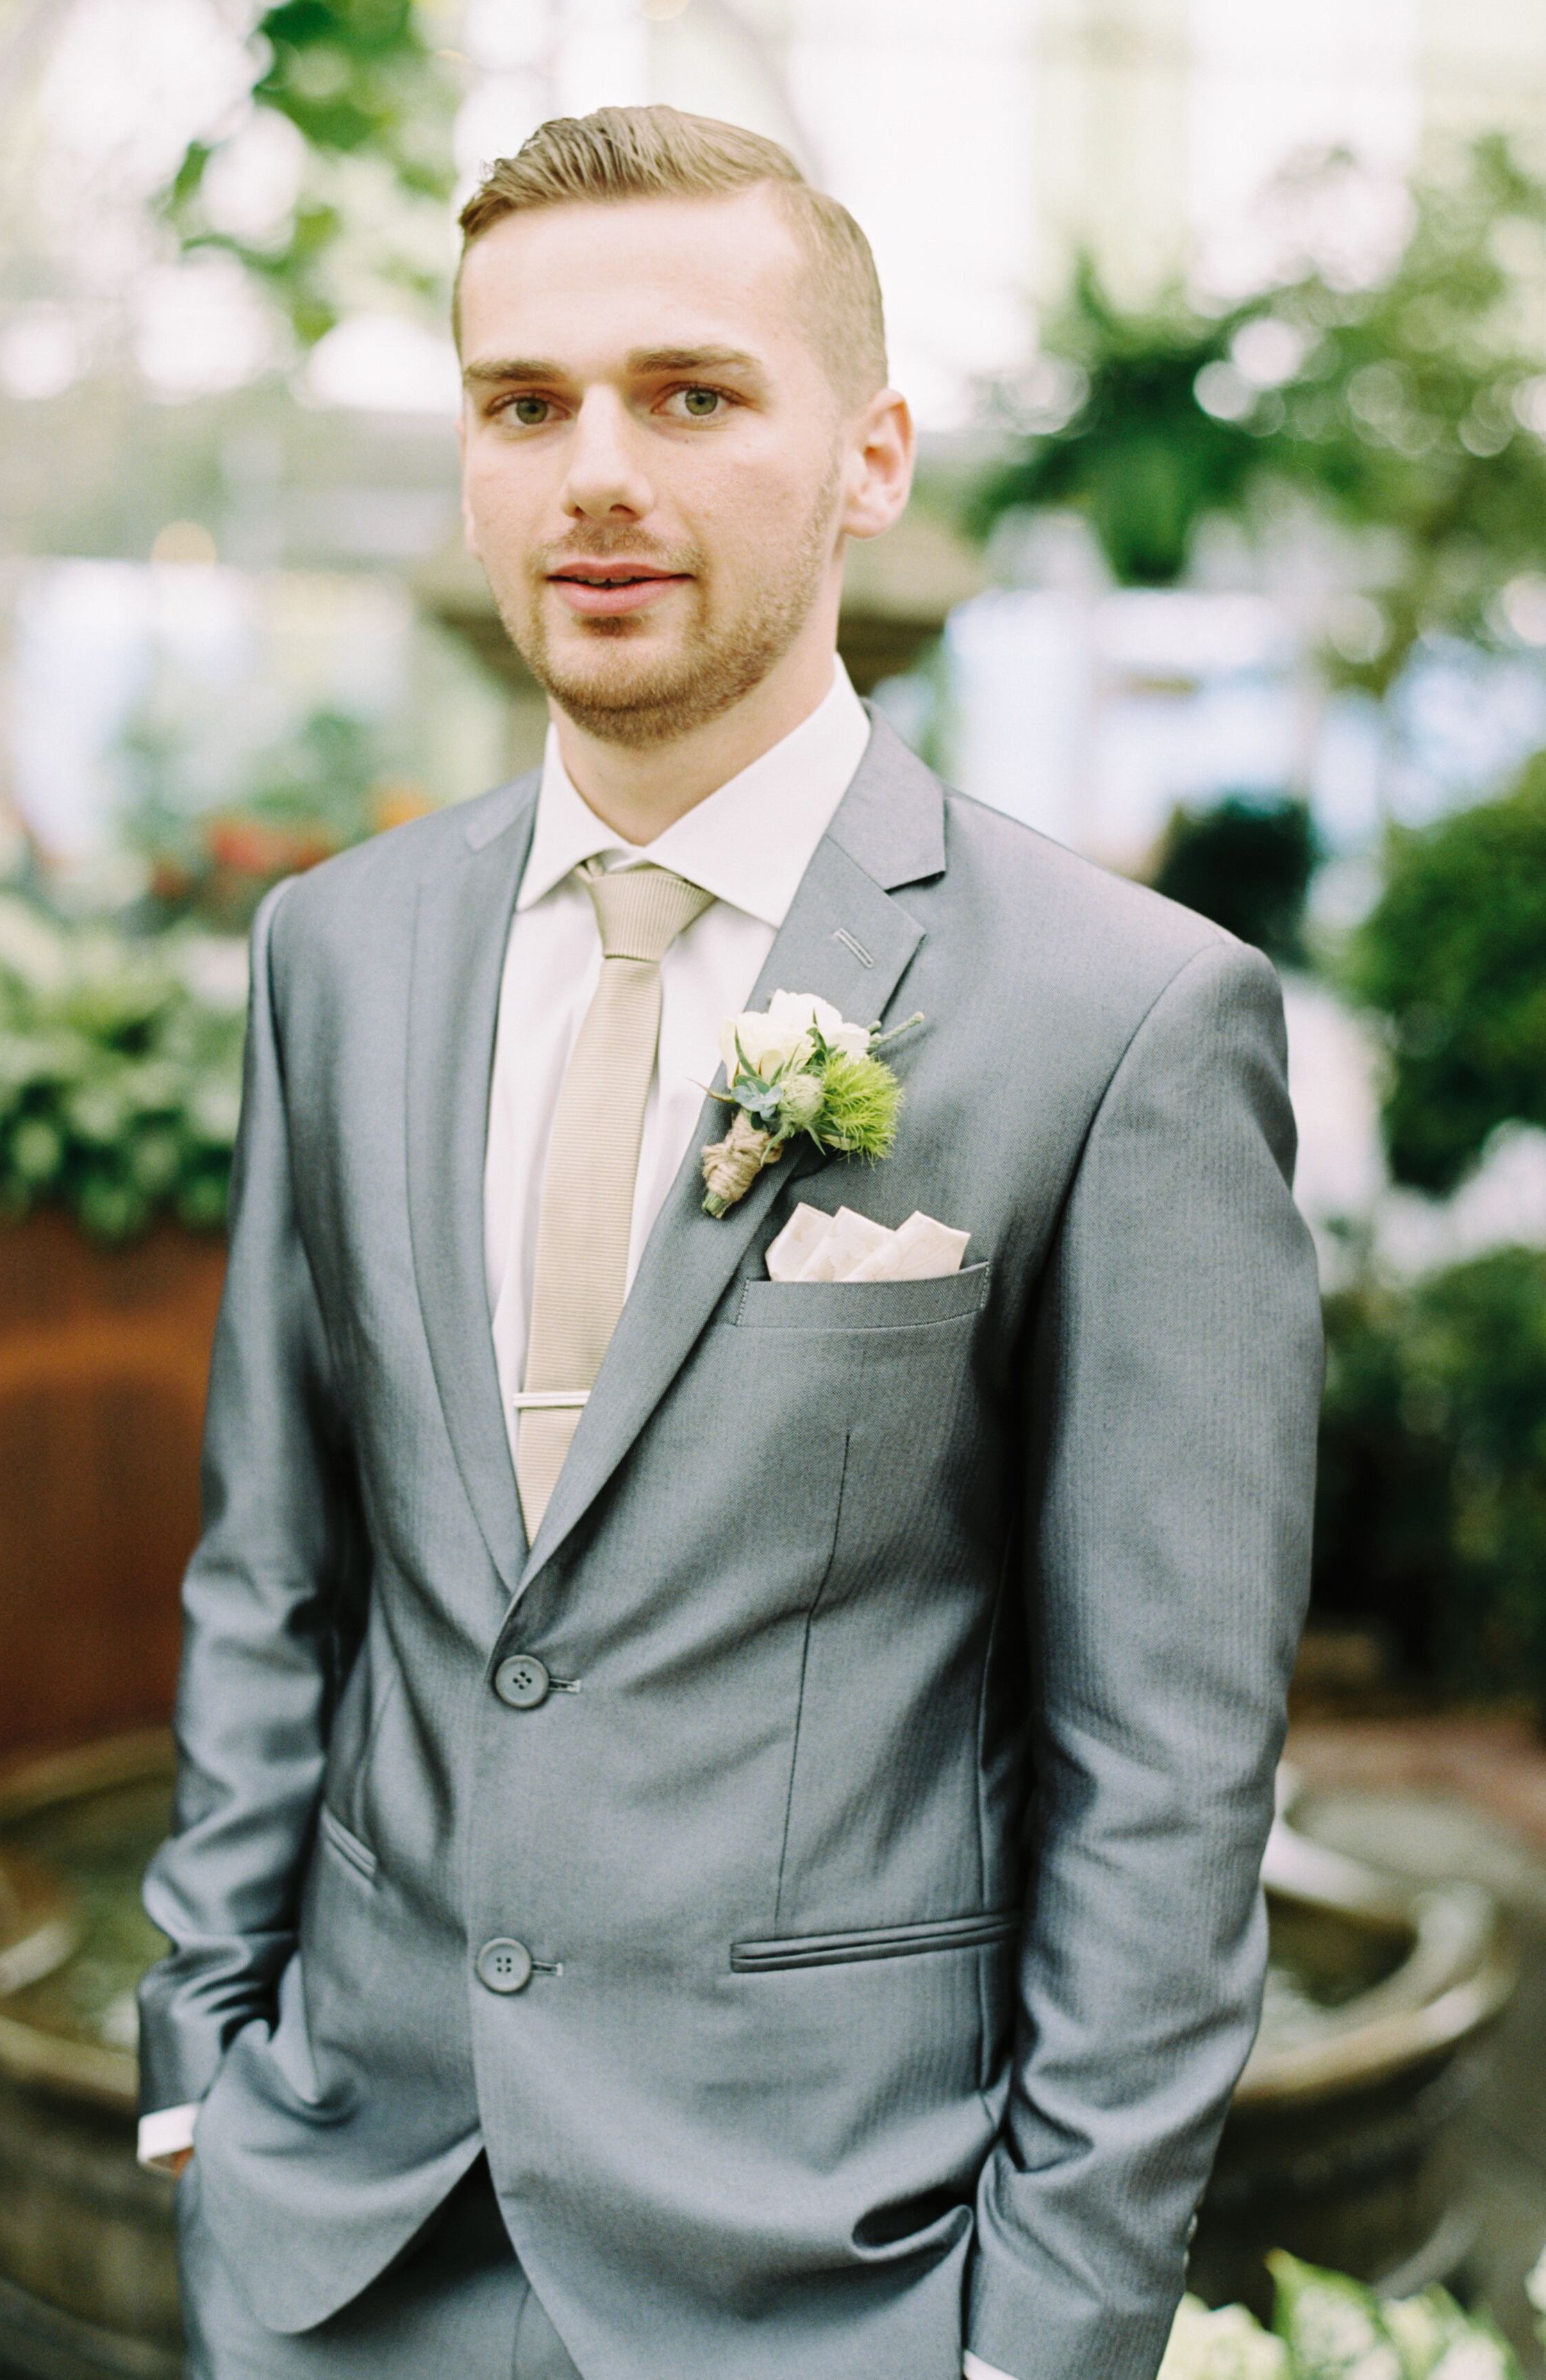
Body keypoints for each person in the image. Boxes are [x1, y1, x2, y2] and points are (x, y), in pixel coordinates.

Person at [138, 104, 1322, 2380]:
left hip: (834, 2280)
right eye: (526, 403)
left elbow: (1164, 1763)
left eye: (691, 394)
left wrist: (1042, 2328)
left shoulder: (1127, 1020)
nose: (596, 470)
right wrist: (208, 2068)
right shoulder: (338, 951)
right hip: (339, 2246)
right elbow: (273, 1567)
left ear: (868, 458)